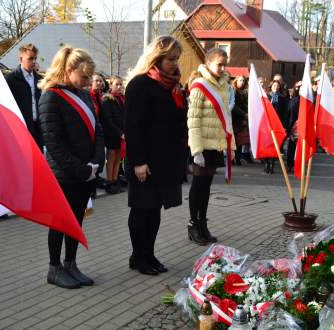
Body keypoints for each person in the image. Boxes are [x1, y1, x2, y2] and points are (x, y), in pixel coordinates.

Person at [38, 46, 104, 288]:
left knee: (76, 220)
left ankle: (71, 263)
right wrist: (81, 169)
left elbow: (98, 131)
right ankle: (54, 268)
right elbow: (53, 142)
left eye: (89, 77)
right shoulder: (51, 96)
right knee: (60, 222)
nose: (88, 82)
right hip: (64, 174)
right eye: (84, 76)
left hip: (86, 171)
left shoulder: (83, 94)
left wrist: (97, 162)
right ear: (68, 70)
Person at [125, 36, 187, 275]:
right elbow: (133, 127)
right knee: (142, 209)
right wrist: (139, 162)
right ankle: (139, 257)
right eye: (170, 59)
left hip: (165, 160)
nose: (174, 64)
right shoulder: (140, 85)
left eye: (176, 59)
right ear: (157, 57)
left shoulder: (171, 86)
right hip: (145, 161)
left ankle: (148, 254)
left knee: (154, 210)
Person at [187, 48, 236, 245]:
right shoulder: (200, 86)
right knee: (198, 186)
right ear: (208, 63)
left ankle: (203, 223)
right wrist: (196, 150)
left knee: (207, 187)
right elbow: (193, 120)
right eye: (219, 64)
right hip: (202, 144)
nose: (223, 68)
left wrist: (230, 146)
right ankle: (193, 225)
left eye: (225, 64)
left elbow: (227, 117)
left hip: (215, 143)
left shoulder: (224, 85)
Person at [6, 43, 43, 149]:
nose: (34, 61)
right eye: (30, 58)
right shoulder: (10, 79)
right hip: (20, 129)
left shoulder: (39, 79)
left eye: (35, 58)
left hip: (38, 129)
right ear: (21, 59)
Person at [101, 76, 126, 194]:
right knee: (111, 158)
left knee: (118, 158)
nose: (120, 86)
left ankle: (115, 180)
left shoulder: (122, 98)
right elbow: (108, 119)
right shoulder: (107, 100)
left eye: (121, 84)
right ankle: (110, 181)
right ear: (111, 86)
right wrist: (119, 133)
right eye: (117, 84)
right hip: (112, 134)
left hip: (121, 134)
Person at [265, 79, 288, 174]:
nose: (276, 87)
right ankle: (266, 163)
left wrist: (284, 125)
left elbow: (285, 113)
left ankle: (272, 164)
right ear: (271, 86)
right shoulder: (266, 96)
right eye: (274, 85)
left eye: (277, 85)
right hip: (267, 124)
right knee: (267, 144)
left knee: (276, 146)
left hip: (277, 124)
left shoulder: (282, 98)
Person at [231, 75, 251, 165]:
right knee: (233, 140)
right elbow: (234, 106)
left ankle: (238, 158)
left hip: (241, 119)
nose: (242, 82)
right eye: (240, 80)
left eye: (243, 80)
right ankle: (232, 159)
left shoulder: (245, 92)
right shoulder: (233, 91)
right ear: (236, 81)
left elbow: (246, 105)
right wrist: (244, 114)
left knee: (240, 141)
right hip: (234, 118)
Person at [286, 81, 301, 172]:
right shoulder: (292, 100)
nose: (299, 89)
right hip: (293, 126)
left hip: (303, 126)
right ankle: (289, 164)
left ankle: (298, 165)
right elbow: (288, 114)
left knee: (300, 148)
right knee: (291, 147)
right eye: (297, 87)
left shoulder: (308, 100)